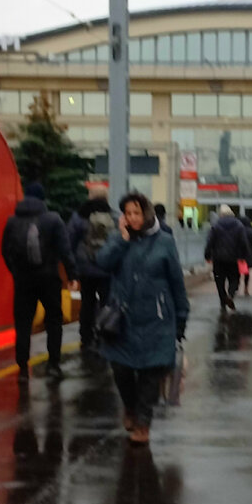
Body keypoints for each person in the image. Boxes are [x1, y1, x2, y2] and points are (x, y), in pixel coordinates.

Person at [96, 191, 189, 445]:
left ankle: (143, 424)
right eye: (128, 213)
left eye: (137, 212)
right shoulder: (119, 239)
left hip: (155, 321)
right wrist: (122, 240)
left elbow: (177, 283)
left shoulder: (164, 242)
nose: (133, 218)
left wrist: (181, 316)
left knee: (150, 375)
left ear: (146, 213)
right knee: (121, 369)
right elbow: (102, 263)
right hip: (122, 320)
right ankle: (130, 407)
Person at [1, 182, 76, 383]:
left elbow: (5, 251)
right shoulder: (53, 220)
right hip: (49, 279)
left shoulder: (12, 222)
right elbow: (65, 251)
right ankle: (53, 365)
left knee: (23, 324)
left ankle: (23, 369)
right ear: (42, 199)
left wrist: (16, 271)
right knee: (53, 321)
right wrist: (72, 275)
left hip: (23, 280)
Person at [67, 195, 115, 350]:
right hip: (107, 268)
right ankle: (105, 334)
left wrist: (73, 264)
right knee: (106, 302)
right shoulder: (112, 215)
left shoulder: (79, 217)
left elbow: (69, 241)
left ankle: (86, 336)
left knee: (87, 303)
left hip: (86, 269)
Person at [204, 205, 249, 312]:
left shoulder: (216, 225)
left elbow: (210, 241)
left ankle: (222, 302)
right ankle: (231, 294)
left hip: (218, 259)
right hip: (234, 258)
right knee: (234, 279)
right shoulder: (239, 225)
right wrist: (244, 256)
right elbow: (244, 242)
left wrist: (207, 255)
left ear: (221, 214)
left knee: (219, 281)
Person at [239, 214, 252, 295]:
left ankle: (236, 286)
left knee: (237, 271)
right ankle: (246, 288)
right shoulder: (250, 231)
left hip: (239, 254)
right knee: (246, 272)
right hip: (248, 254)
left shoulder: (238, 230)